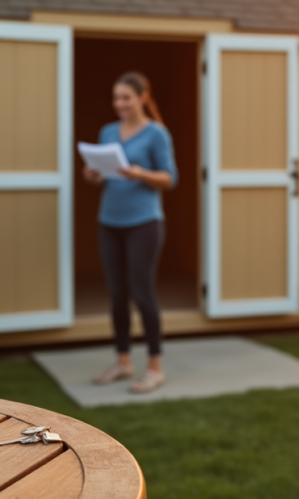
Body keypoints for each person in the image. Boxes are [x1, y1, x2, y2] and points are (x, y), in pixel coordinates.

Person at [83, 71, 178, 394]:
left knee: (142, 292)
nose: (120, 104)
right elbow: (103, 177)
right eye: (116, 98)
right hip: (109, 221)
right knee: (117, 294)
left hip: (144, 223)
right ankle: (123, 361)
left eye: (126, 97)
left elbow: (169, 178)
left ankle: (155, 367)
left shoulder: (157, 134)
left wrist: (140, 173)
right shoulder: (108, 131)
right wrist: (93, 174)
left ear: (143, 98)